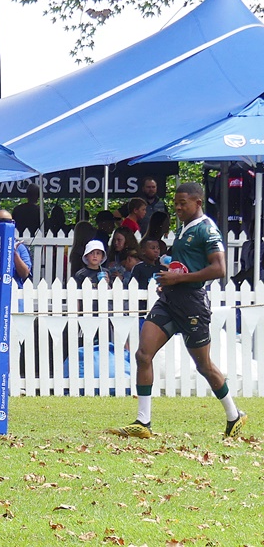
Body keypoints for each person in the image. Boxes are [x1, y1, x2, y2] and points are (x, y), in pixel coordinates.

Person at [111, 182, 247, 439]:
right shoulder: (184, 228)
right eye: (175, 204)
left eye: (182, 203)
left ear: (198, 202)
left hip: (192, 302)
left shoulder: (208, 229)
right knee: (143, 354)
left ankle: (234, 414)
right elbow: (184, 266)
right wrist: (170, 277)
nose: (177, 208)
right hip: (169, 300)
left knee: (204, 365)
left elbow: (219, 269)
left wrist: (178, 280)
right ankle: (143, 422)